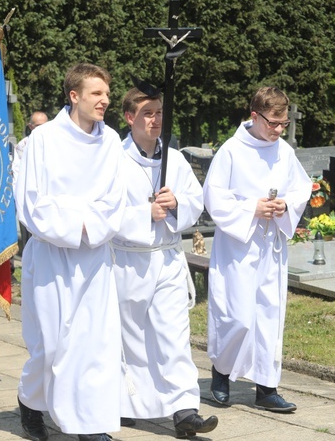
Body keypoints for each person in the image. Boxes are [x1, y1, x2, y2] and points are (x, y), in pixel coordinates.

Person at [14, 63, 126, 441]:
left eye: (107, 94)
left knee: (94, 342)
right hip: (52, 254)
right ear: (74, 96)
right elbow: (31, 201)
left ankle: (87, 424)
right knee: (52, 345)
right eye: (97, 94)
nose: (105, 101)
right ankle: (30, 402)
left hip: (94, 255)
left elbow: (116, 199)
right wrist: (74, 225)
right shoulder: (43, 140)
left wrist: (89, 226)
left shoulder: (111, 141)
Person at [112, 86, 218, 437]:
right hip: (128, 260)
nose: (155, 119)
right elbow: (105, 211)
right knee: (129, 337)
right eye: (147, 113)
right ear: (130, 118)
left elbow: (195, 201)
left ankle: (184, 408)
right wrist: (146, 213)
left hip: (168, 258)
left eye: (159, 112)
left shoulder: (175, 159)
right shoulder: (113, 160)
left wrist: (175, 205)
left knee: (174, 334)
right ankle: (127, 403)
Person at [203, 87, 310, 413]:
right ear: (254, 116)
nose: (278, 130)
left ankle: (266, 388)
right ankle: (221, 374)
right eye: (273, 123)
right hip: (239, 246)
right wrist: (253, 208)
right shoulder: (232, 151)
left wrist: (285, 204)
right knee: (236, 315)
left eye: (283, 123)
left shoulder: (284, 152)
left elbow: (301, 187)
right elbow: (213, 196)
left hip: (270, 247)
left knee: (268, 315)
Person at [12, 110, 48, 184]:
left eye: (45, 125)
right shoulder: (23, 145)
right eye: (38, 126)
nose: (42, 128)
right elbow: (18, 169)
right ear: (30, 126)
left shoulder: (54, 142)